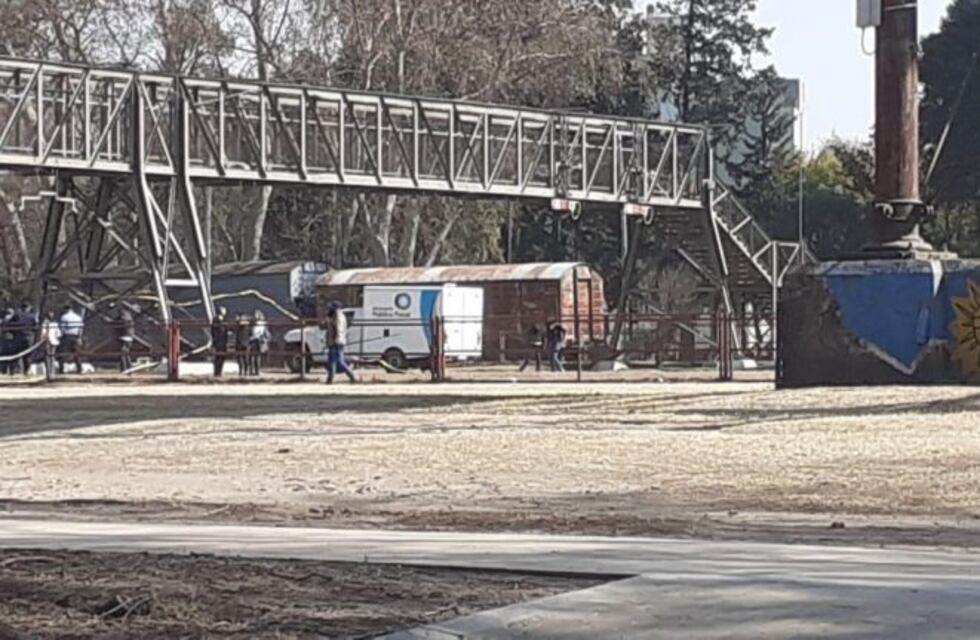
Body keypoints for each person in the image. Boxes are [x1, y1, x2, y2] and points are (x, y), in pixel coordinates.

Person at [323, 303, 357, 384]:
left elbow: (339, 329)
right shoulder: (336, 316)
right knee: (332, 360)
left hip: (336, 342)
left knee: (338, 361)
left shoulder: (337, 316)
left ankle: (351, 376)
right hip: (335, 341)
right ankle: (330, 378)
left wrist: (337, 340)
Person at [58, 305, 84, 374]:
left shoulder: (64, 317)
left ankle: (61, 369)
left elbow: (62, 328)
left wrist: (61, 336)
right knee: (76, 353)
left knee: (63, 353)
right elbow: (81, 328)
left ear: (66, 309)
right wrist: (79, 337)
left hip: (67, 335)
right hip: (75, 336)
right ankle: (79, 369)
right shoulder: (78, 317)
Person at [13, 302, 37, 375]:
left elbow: (11, 323)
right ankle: (27, 370)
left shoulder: (17, 315)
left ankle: (19, 370)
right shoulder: (32, 316)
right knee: (28, 353)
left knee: (19, 353)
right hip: (29, 336)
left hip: (19, 336)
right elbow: (36, 326)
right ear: (28, 307)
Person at [248, 310, 270, 377]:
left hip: (258, 341)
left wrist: (263, 338)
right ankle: (252, 370)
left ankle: (256, 371)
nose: (255, 316)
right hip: (253, 341)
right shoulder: (252, 323)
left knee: (257, 357)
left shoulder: (262, 324)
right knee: (252, 357)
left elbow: (266, 334)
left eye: (256, 314)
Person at [40, 311, 61, 381]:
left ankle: (50, 373)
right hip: (51, 341)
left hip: (50, 342)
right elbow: (58, 333)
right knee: (50, 357)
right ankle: (50, 373)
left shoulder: (47, 323)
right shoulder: (53, 323)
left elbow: (43, 333)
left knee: (49, 357)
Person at [116, 305, 136, 372]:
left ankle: (125, 368)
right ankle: (129, 368)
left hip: (126, 337)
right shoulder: (128, 316)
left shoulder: (125, 317)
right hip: (128, 336)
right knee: (126, 353)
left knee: (123, 353)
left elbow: (121, 323)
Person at [211, 307, 229, 377]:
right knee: (218, 357)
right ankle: (217, 372)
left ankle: (219, 371)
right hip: (218, 341)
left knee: (222, 357)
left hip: (223, 341)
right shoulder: (216, 320)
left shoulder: (223, 320)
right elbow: (214, 331)